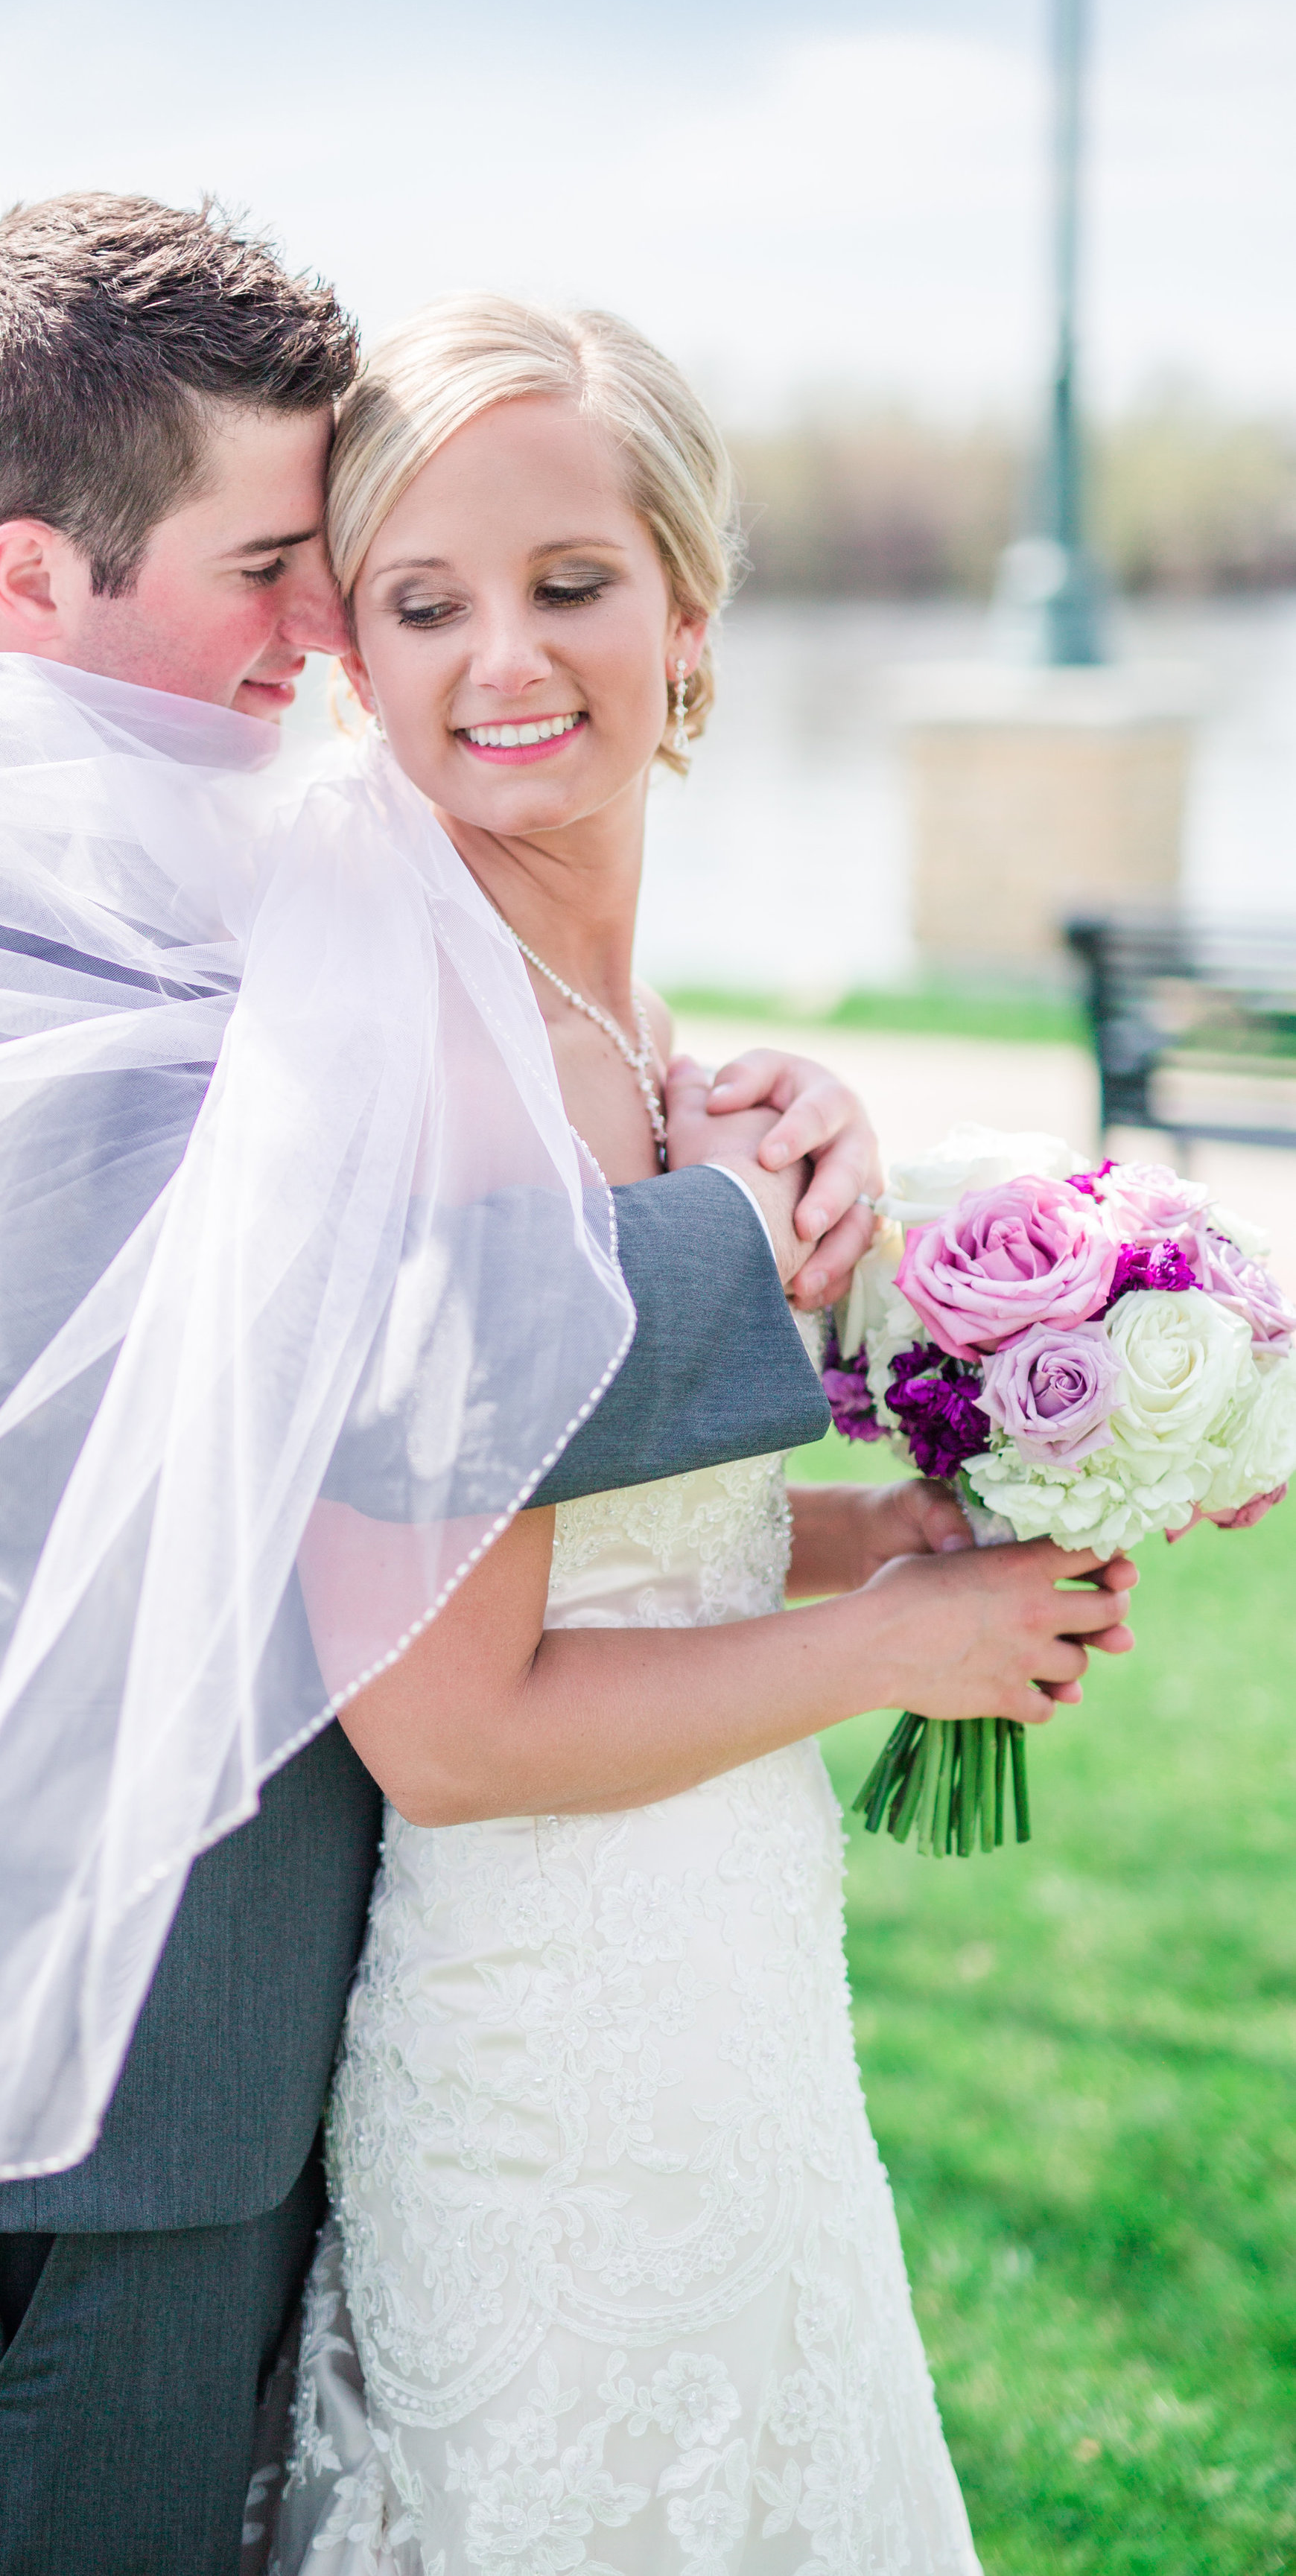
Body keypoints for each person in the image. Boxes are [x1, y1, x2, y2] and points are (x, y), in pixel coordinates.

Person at [0, 197, 909, 2576]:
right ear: (38, 577)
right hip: (36, 2097)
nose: (330, 628)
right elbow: (352, 1371)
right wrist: (738, 1239)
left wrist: (748, 1121)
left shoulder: (192, 872)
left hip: (228, 2059)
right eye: (279, 562)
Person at [251, 296, 1139, 2576]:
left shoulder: (623, 1033)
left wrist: (895, 1532)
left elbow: (621, 1534)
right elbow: (450, 1726)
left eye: (568, 583)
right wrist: (894, 1652)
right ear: (350, 648)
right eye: (423, 603)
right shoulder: (442, 1070)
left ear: (688, 613)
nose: (502, 659)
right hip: (547, 2054)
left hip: (719, 1979)